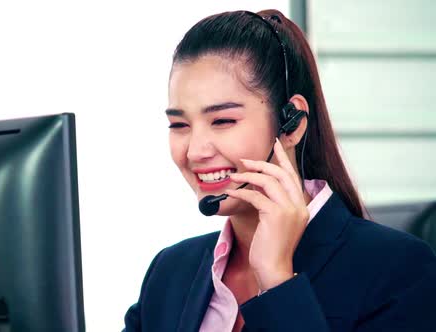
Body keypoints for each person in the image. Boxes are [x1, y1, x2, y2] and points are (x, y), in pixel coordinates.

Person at [123, 9, 436, 332]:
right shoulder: (170, 272)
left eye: (223, 121)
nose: (196, 150)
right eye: (179, 124)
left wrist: (277, 282)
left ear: (291, 123)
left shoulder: (399, 270)